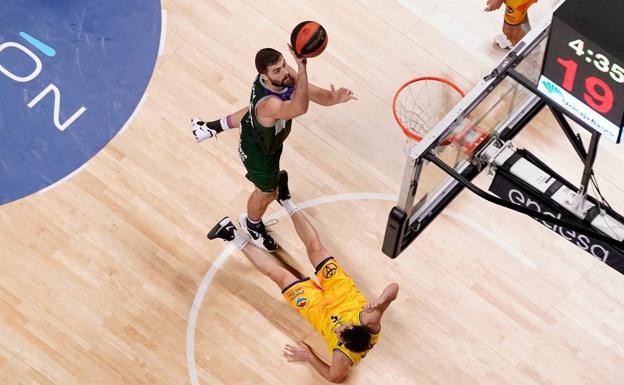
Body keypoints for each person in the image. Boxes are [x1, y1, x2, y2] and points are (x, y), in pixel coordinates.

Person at [207, 171, 399, 383]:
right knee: (315, 248)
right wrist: (382, 299)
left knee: (280, 276)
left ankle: (231, 234)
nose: (340, 327)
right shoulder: (371, 321)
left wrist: (309, 357)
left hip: (319, 311)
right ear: (359, 326)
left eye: (341, 332)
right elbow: (394, 289)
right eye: (345, 327)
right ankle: (286, 200)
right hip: (342, 293)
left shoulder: (342, 357)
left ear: (342, 344)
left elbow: (334, 378)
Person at [194, 45, 356, 252]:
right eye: (277, 70)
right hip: (260, 154)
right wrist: (303, 69)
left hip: (262, 134)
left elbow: (313, 93)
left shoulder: (280, 78)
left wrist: (334, 98)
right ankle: (251, 225)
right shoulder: (269, 102)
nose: (285, 72)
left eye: (284, 65)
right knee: (267, 193)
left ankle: (209, 128)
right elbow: (300, 107)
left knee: (250, 114)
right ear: (265, 76)